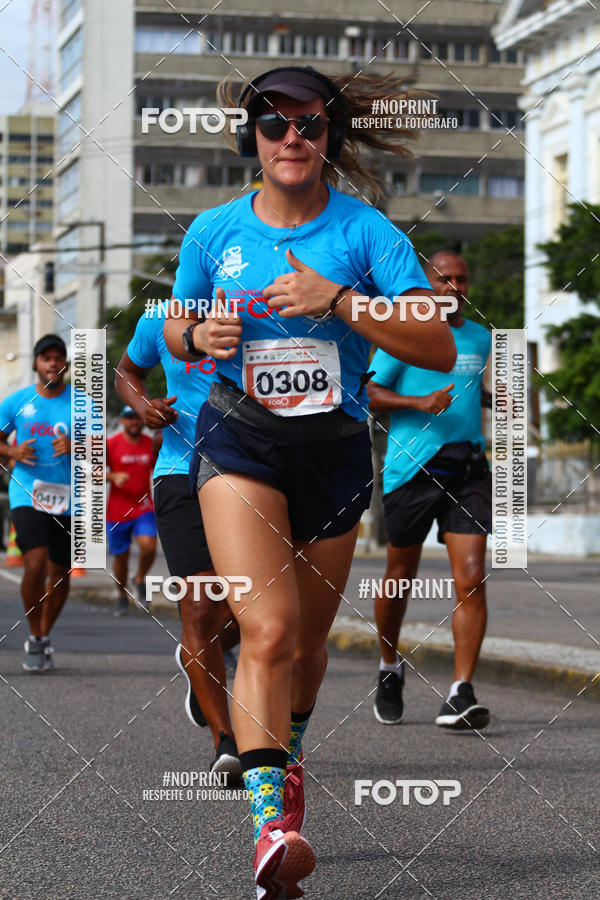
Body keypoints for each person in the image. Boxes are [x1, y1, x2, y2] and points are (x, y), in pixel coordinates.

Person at [164, 65, 456, 899]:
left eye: (310, 124)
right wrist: (198, 333)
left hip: (332, 452)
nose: (292, 137)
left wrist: (340, 303)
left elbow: (434, 346)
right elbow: (175, 326)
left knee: (308, 648)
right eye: (272, 122)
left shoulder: (367, 236)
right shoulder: (213, 231)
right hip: (239, 442)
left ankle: (286, 751)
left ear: (330, 137)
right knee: (269, 628)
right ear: (250, 137)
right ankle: (272, 828)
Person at [368, 250, 492, 731]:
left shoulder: (480, 337)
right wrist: (418, 401)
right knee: (401, 574)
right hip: (412, 470)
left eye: (461, 280)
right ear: (427, 283)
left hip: (469, 468)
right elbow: (369, 393)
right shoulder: (404, 334)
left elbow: (473, 388)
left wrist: (492, 398)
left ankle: (461, 690)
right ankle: (388, 665)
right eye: (444, 279)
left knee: (473, 576)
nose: (453, 288)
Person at [115, 311, 242, 778]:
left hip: (249, 475)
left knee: (249, 611)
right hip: (179, 472)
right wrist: (144, 405)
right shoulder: (159, 322)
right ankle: (225, 742)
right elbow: (126, 371)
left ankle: (199, 656)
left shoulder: (256, 312)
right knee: (201, 608)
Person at [0, 334, 72, 672]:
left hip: (69, 496)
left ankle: (42, 636)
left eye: (59, 358)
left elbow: (101, 448)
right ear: (35, 364)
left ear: (66, 365)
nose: (53, 363)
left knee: (60, 572)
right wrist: (12, 451)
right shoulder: (16, 402)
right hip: (26, 491)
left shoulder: (84, 404)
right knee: (36, 564)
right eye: (47, 358)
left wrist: (76, 445)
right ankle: (34, 633)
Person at [106, 406, 157, 616]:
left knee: (149, 546)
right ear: (122, 420)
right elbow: (92, 470)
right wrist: (113, 477)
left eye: (137, 417)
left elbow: (161, 469)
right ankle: (121, 595)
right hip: (117, 511)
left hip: (144, 507)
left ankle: (140, 579)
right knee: (121, 558)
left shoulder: (150, 444)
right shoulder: (111, 444)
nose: (134, 422)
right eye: (129, 418)